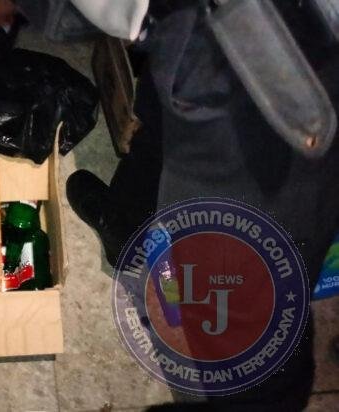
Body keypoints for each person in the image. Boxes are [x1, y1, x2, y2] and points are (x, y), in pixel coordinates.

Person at [67, 0, 339, 410]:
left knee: (251, 302)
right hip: (189, 24)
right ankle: (127, 229)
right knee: (161, 120)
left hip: (294, 52)